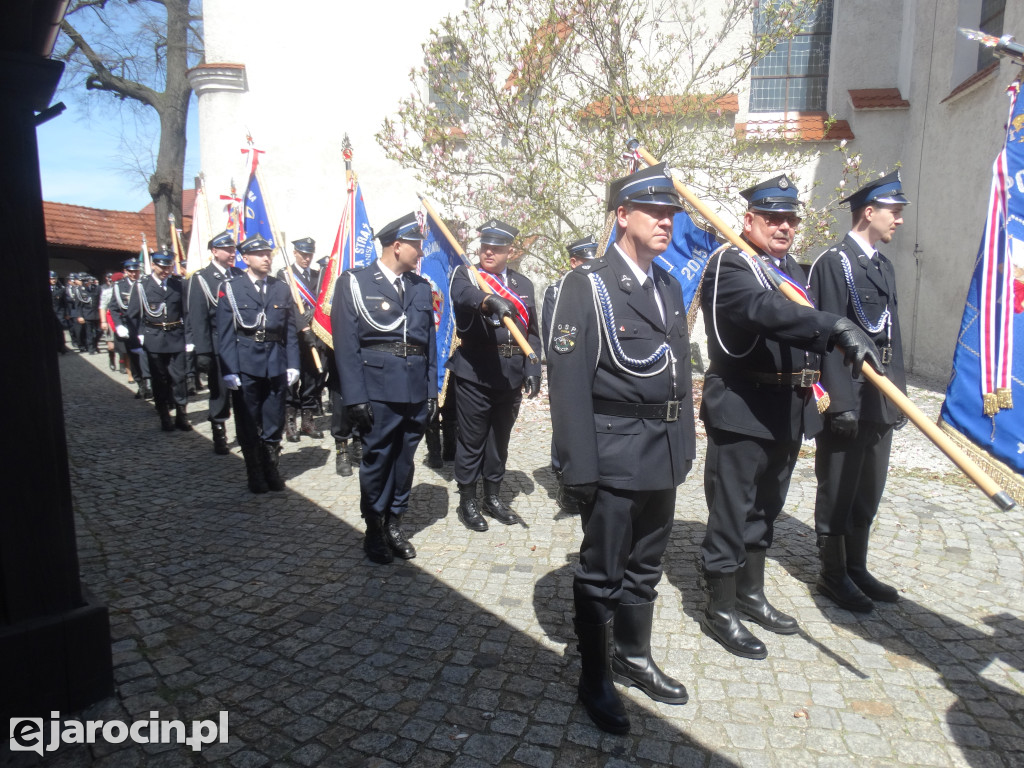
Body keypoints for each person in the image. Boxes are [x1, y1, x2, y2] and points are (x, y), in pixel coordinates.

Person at [699, 174, 883, 660]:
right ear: (749, 219)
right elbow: (765, 312)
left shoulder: (790, 272)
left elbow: (797, 325)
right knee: (731, 511)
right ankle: (719, 609)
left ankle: (751, 594)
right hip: (742, 407)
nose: (783, 226)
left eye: (790, 219)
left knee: (766, 508)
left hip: (787, 409)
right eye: (772, 218)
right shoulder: (731, 265)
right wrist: (835, 324)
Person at [548, 164, 694, 734]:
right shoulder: (584, 286)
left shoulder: (668, 284)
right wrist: (577, 467)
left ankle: (634, 657)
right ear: (621, 216)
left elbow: (678, 373)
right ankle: (594, 675)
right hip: (612, 454)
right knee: (602, 570)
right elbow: (568, 382)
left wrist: (682, 449)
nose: (665, 221)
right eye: (654, 212)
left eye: (671, 213)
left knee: (646, 566)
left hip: (661, 451)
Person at [807, 171, 909, 612]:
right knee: (839, 486)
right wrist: (838, 404)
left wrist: (897, 397)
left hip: (878, 397)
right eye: (895, 212)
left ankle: (857, 567)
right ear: (869, 212)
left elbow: (892, 336)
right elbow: (826, 336)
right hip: (848, 396)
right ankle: (832, 574)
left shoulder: (883, 266)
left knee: (869, 486)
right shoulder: (834, 263)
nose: (899, 221)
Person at [332, 213, 437, 564]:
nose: (421, 252)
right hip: (377, 387)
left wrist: (432, 390)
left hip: (414, 389)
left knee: (405, 461)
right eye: (417, 245)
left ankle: (395, 522)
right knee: (377, 460)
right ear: (397, 245)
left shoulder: (421, 287)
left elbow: (430, 345)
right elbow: (346, 346)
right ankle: (374, 527)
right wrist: (356, 397)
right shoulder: (356, 283)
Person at [447, 219, 541, 531]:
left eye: (497, 247)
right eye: (485, 245)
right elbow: (463, 297)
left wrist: (532, 366)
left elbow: (533, 334)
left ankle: (493, 496)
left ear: (509, 251)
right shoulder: (468, 275)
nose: (489, 251)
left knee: (499, 441)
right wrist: (488, 300)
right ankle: (468, 501)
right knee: (472, 440)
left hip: (511, 375)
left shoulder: (523, 285)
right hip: (476, 371)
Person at [217, 236, 300, 493]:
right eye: (260, 254)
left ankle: (271, 467)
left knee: (274, 419)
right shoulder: (231, 288)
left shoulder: (280, 288)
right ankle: (254, 471)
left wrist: (293, 364)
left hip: (275, 362)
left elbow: (289, 331)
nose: (266, 258)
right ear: (246, 258)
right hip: (246, 364)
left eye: (269, 253)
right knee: (248, 420)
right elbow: (225, 334)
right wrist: (229, 369)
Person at [542, 235, 598, 514]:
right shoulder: (558, 291)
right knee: (566, 418)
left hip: (596, 368)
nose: (592, 266)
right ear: (574, 262)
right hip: (569, 364)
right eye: (586, 261)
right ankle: (562, 475)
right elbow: (558, 336)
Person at [187, 230, 244, 455]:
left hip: (240, 344)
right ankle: (219, 430)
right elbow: (198, 318)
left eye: (233, 249)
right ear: (214, 251)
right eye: (227, 249)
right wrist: (203, 352)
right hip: (218, 344)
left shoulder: (239, 274)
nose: (232, 253)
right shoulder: (201, 278)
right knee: (220, 392)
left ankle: (244, 429)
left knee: (242, 391)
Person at [126, 248, 191, 431]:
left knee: (179, 379)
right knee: (159, 379)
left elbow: (187, 312)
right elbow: (132, 316)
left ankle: (181, 414)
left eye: (169, 266)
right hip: (153, 338)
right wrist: (136, 341)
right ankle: (164, 415)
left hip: (176, 337)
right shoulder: (142, 286)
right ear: (153, 265)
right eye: (162, 267)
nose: (165, 271)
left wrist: (189, 338)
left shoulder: (179, 284)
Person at [279, 236, 327, 442]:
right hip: (294, 337)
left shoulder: (318, 276)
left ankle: (307, 420)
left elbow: (324, 302)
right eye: (303, 254)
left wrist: (314, 313)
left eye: (310, 254)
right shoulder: (284, 276)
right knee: (292, 380)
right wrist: (302, 322)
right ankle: (290, 421)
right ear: (295, 253)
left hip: (314, 337)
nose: (307, 258)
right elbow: (285, 305)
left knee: (313, 378)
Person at [110, 259, 151, 399]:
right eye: (131, 271)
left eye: (136, 271)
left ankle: (150, 384)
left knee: (150, 356)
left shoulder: (145, 283)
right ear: (126, 272)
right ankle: (141, 385)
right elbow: (114, 308)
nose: (134, 274)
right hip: (129, 327)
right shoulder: (119, 286)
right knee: (134, 357)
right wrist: (118, 325)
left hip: (146, 325)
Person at [49, 271, 69, 354]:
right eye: (51, 278)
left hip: (59, 312)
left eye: (55, 278)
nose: (53, 280)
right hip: (50, 313)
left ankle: (61, 347)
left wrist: (67, 313)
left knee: (60, 330)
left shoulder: (61, 289)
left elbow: (65, 302)